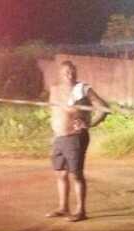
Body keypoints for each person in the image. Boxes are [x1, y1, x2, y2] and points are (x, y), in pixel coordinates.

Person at [46, 61, 109, 222]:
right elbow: (54, 112)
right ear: (60, 74)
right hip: (59, 137)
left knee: (76, 174)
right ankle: (63, 207)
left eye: (72, 71)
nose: (70, 75)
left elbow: (103, 107)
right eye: (66, 72)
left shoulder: (82, 89)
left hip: (75, 136)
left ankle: (81, 211)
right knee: (60, 173)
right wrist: (55, 131)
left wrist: (89, 124)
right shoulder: (54, 90)